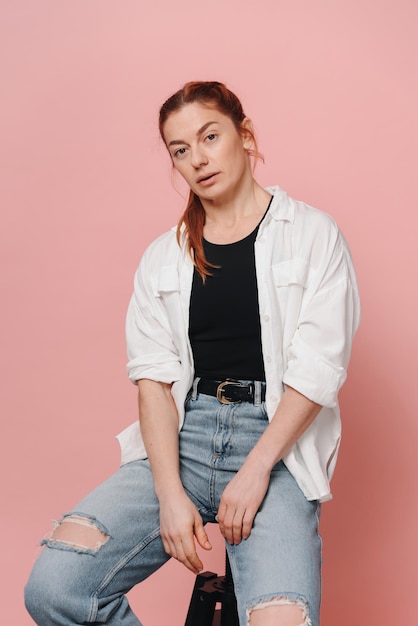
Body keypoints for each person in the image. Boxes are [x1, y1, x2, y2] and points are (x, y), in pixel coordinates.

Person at [25, 81, 360, 626]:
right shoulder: (164, 257)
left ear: (244, 136)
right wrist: (169, 494)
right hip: (181, 440)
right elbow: (153, 381)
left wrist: (255, 471)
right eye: (180, 149)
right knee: (57, 586)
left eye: (210, 136)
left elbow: (317, 372)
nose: (197, 158)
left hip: (274, 447)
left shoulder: (313, 236)